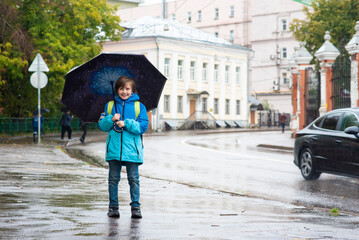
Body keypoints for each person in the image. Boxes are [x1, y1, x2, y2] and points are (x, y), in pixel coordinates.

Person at [98, 76, 149, 219]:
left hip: (132, 150)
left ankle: (136, 207)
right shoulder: (109, 106)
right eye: (121, 88)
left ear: (132, 90)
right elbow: (102, 125)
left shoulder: (140, 107)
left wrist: (126, 123)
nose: (124, 91)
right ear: (117, 90)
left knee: (133, 179)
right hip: (114, 149)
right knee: (113, 179)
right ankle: (113, 207)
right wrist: (111, 119)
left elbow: (143, 127)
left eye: (127, 89)